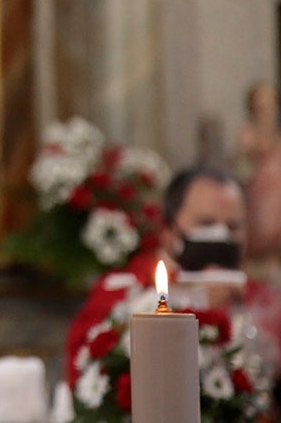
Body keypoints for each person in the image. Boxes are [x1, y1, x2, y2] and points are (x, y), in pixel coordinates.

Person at [65, 166, 279, 390]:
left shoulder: (260, 296)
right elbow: (85, 369)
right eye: (206, 223)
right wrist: (198, 303)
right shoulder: (123, 288)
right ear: (168, 230)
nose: (221, 235)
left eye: (233, 226)